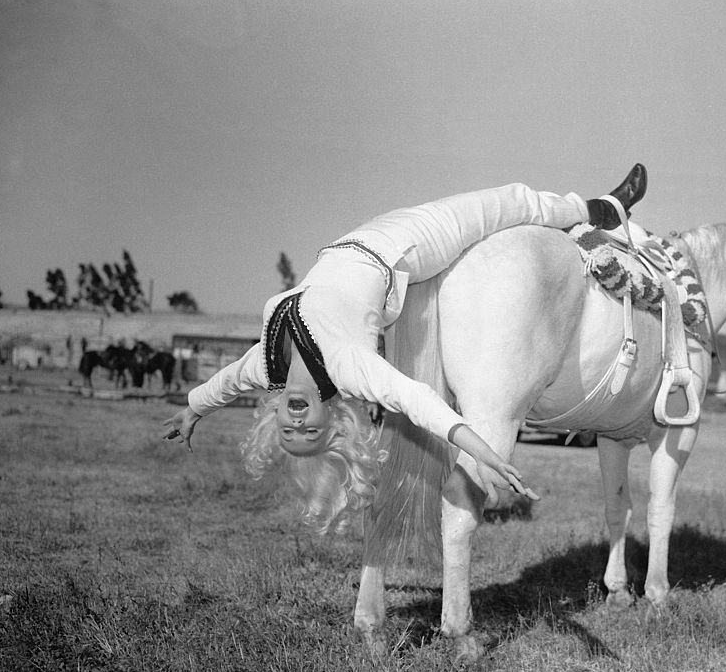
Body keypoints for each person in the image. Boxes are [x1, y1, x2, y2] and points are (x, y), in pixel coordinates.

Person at [164, 165, 648, 532]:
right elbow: (419, 403)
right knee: (513, 200)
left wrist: (191, 410)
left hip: (351, 238)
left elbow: (224, 383)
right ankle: (603, 209)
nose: (296, 423)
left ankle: (592, 213)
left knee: (509, 202)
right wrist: (489, 455)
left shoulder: (267, 365)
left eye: (289, 432)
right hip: (407, 248)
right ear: (328, 421)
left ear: (274, 419)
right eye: (309, 432)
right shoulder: (348, 367)